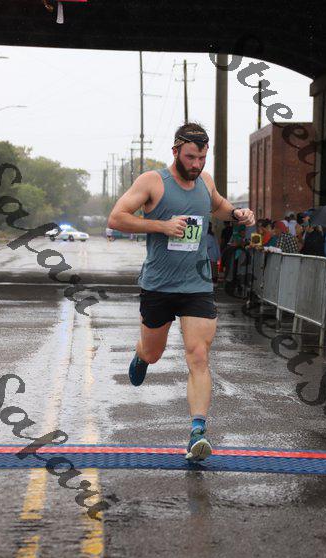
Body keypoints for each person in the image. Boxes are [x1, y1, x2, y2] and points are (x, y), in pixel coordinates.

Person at [108, 122, 255, 461]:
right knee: (154, 352)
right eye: (190, 157)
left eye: (202, 158)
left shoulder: (205, 181)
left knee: (199, 355)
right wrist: (161, 225)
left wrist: (236, 214)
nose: (196, 164)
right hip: (159, 285)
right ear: (175, 151)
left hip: (197, 285)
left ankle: (197, 432)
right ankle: (141, 355)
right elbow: (117, 218)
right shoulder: (153, 182)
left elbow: (217, 205)